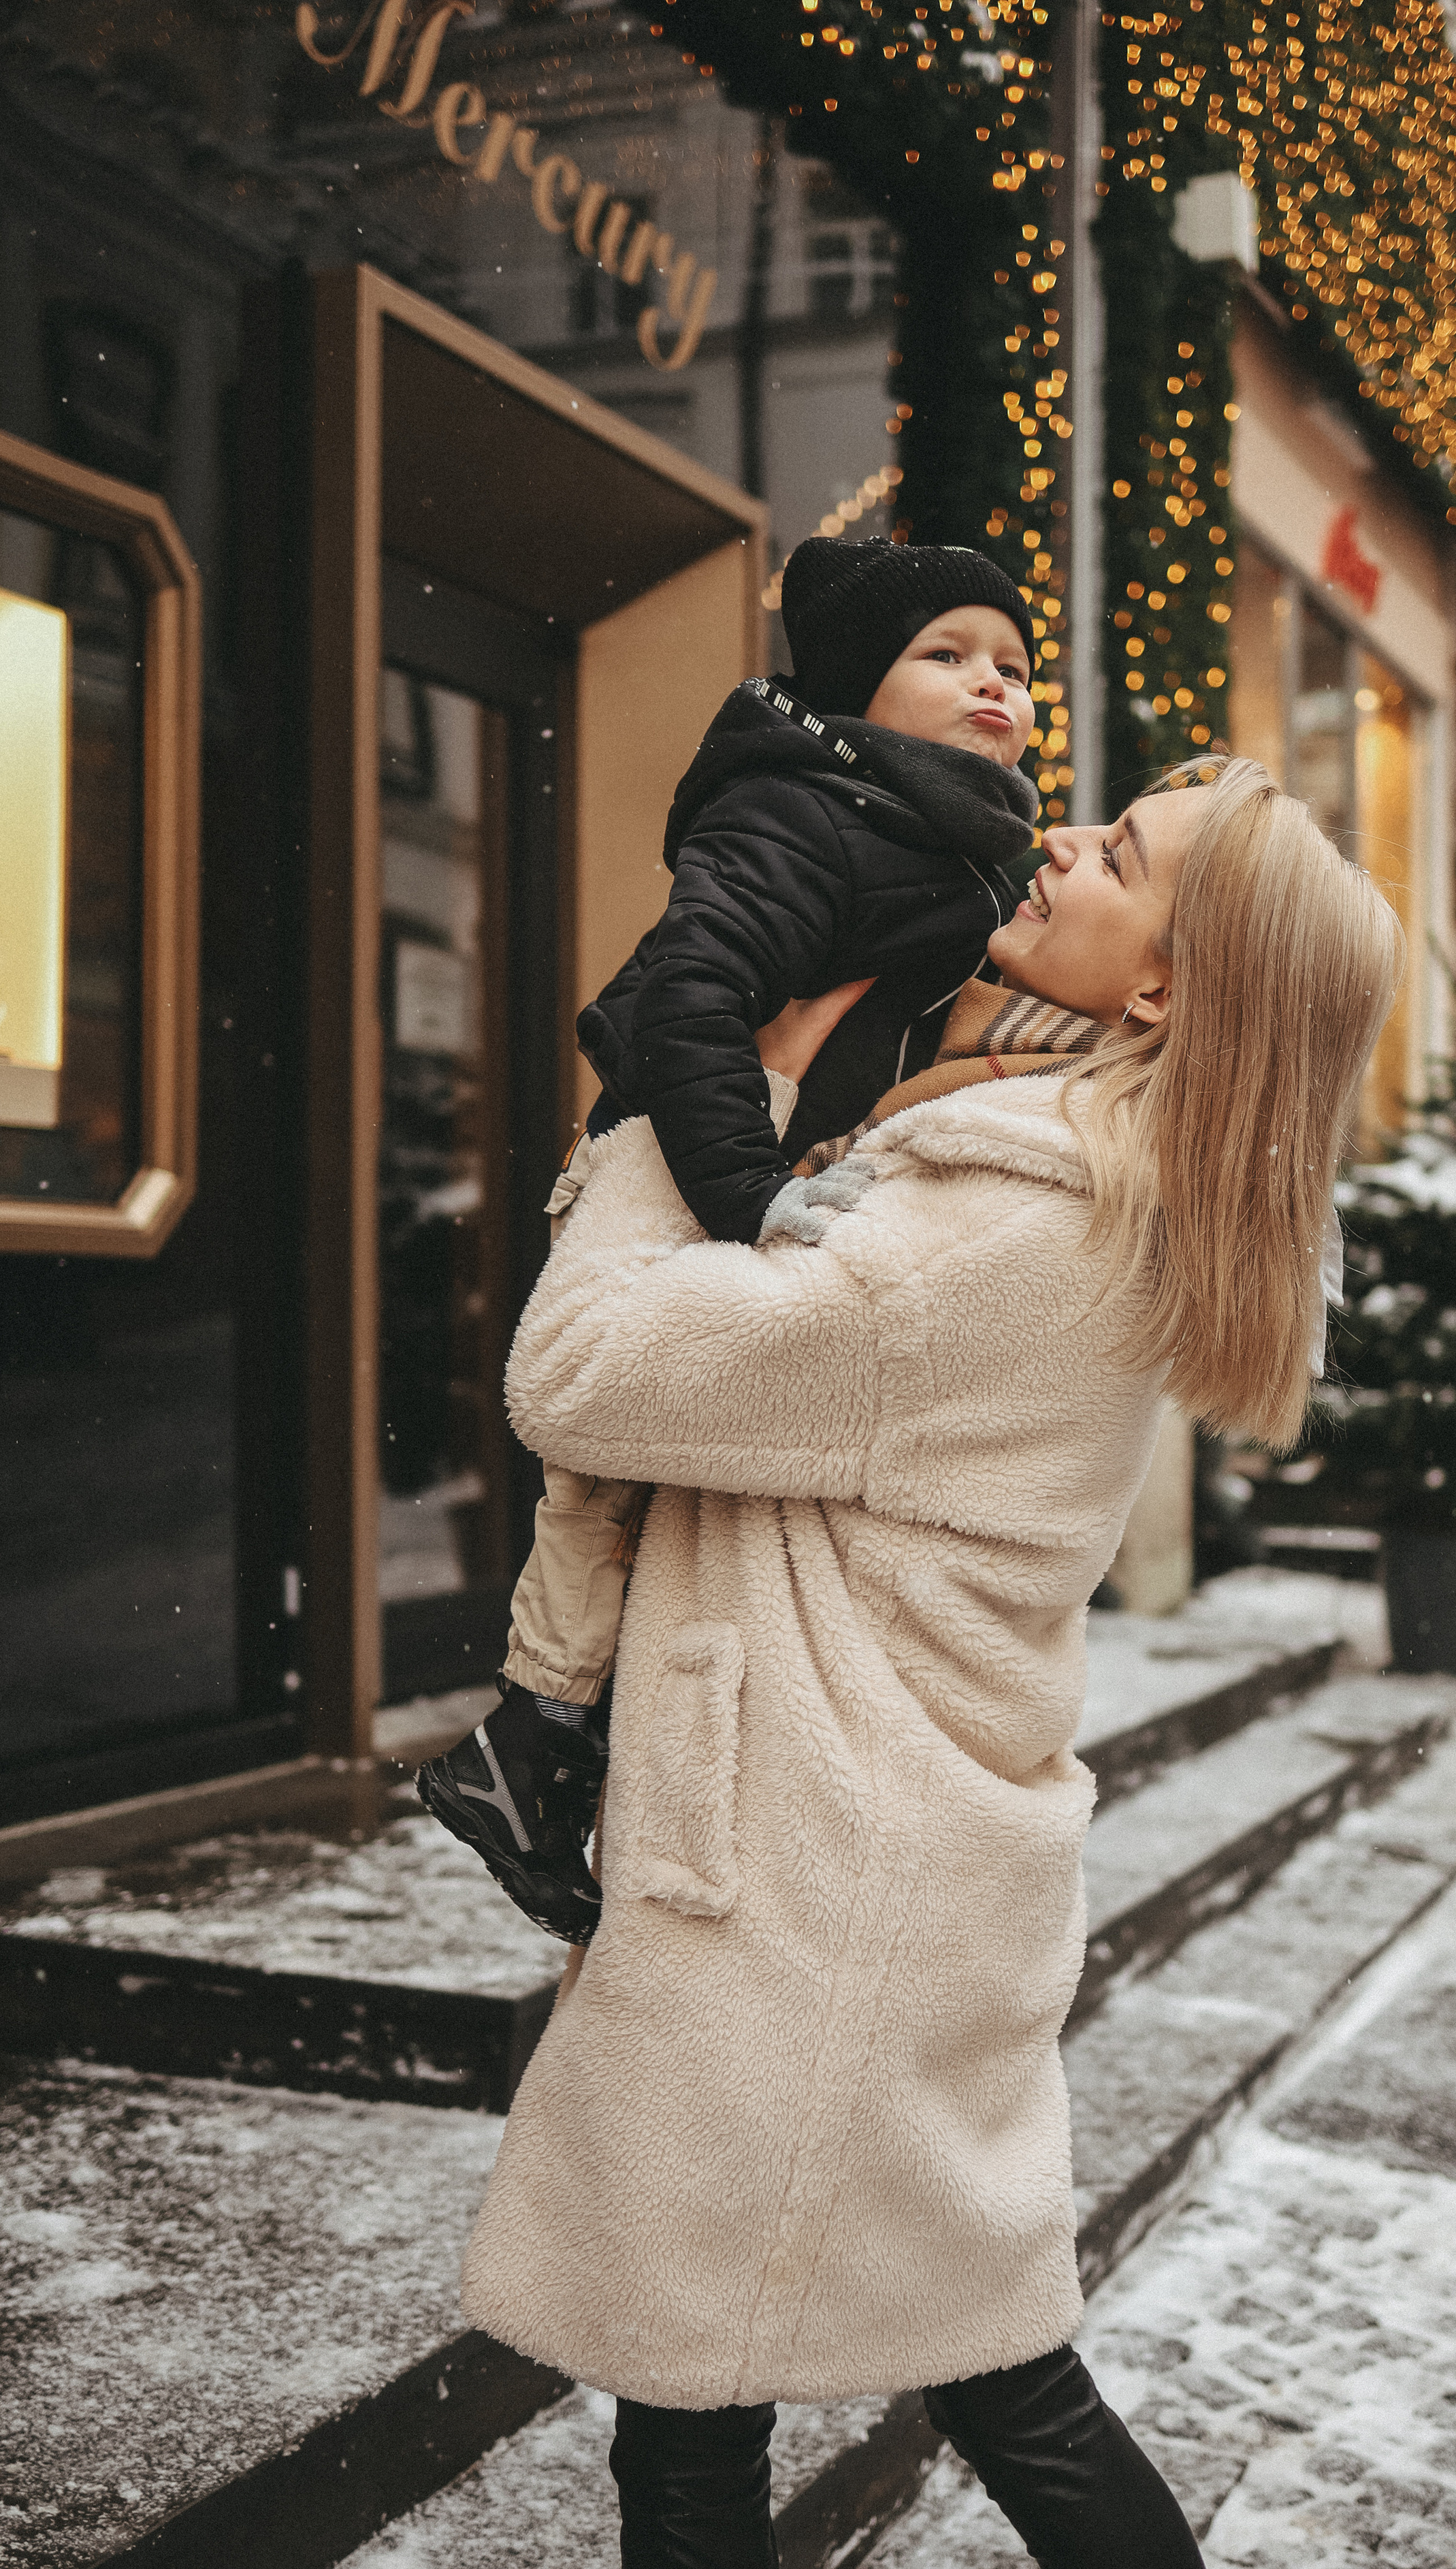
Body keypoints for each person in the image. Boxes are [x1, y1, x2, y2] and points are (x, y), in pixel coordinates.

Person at [459, 754, 1406, 2569]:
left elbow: (578, 1374)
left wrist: (681, 1102)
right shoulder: (1050, 1164)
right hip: (866, 1850)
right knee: (974, 2372)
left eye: (1119, 853)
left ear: (1164, 986)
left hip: (811, 1875)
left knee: (719, 2404)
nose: (1062, 842)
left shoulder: (1008, 1222)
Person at [419, 537, 1045, 1945]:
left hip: (777, 1164)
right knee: (605, 1477)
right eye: (946, 655)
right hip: (683, 1156)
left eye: (1012, 666)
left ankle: (547, 1753)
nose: (993, 685)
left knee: (664, 1488)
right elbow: (689, 997)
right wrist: (748, 1187)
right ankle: (533, 1738)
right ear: (856, 685)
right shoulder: (803, 807)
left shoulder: (958, 837)